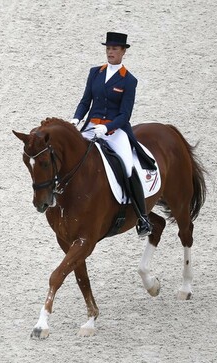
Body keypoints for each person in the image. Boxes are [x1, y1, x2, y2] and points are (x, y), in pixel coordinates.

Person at [70, 31, 152, 237]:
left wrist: (107, 128)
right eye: (108, 48)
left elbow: (125, 114)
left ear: (123, 51)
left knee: (127, 166)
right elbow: (85, 101)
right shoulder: (95, 72)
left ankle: (142, 218)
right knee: (73, 158)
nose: (110, 52)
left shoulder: (129, 80)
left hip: (115, 131)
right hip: (90, 127)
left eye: (115, 49)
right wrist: (76, 119)